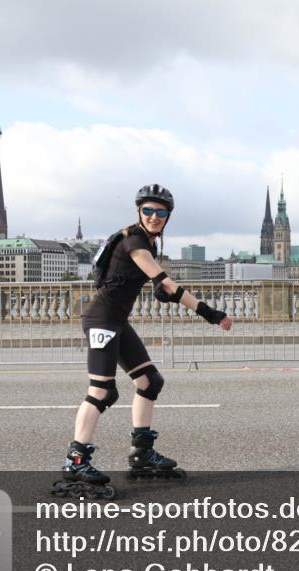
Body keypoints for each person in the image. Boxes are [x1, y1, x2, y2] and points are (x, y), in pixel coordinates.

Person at [54, 184, 233, 498]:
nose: (154, 216)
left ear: (167, 216)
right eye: (148, 210)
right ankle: (76, 460)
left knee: (150, 381)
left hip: (117, 322)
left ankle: (142, 453)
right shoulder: (136, 240)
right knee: (102, 390)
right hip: (102, 320)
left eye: (160, 212)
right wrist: (210, 312)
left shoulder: (145, 240)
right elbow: (165, 282)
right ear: (139, 212)